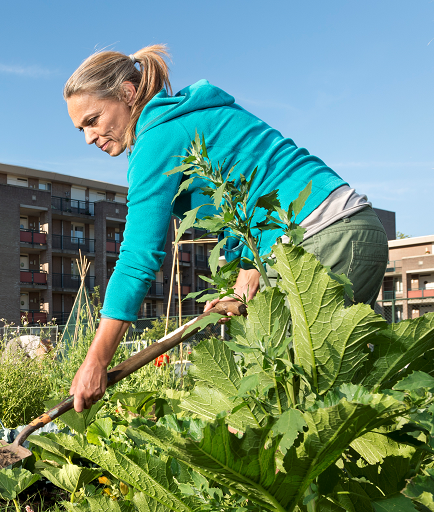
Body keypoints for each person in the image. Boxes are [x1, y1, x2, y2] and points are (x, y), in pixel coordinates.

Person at [64, 45, 388, 414]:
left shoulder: (158, 135)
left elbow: (138, 257)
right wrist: (249, 271)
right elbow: (250, 183)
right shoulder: (196, 113)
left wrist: (97, 360)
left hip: (317, 238)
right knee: (351, 392)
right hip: (355, 229)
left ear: (127, 93)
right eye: (81, 129)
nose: (89, 136)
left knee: (267, 403)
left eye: (93, 120)